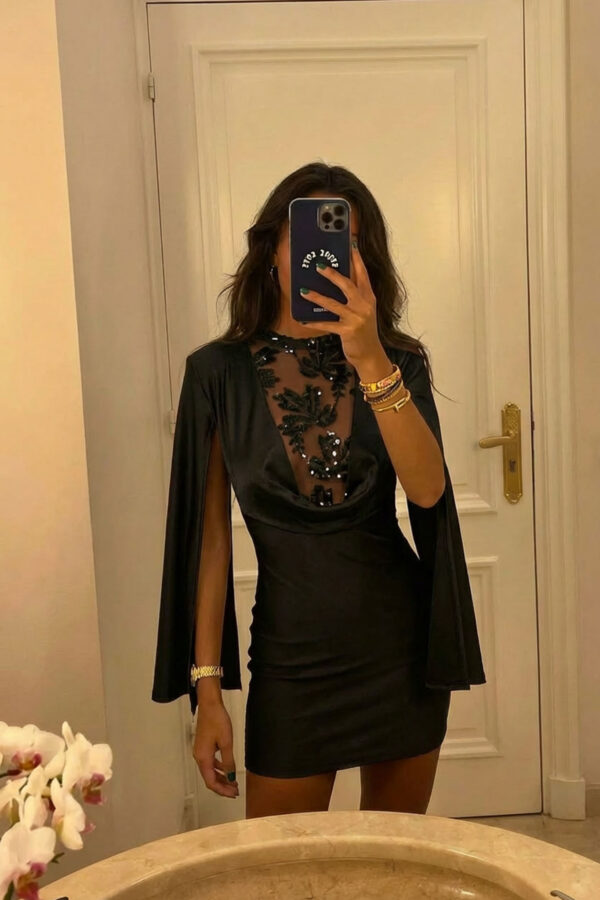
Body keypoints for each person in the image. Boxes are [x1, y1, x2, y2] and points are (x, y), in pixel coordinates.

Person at [151, 162, 486, 820]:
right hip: (290, 662)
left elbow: (427, 491)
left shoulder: (397, 361)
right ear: (273, 251)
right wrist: (207, 692)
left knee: (390, 863)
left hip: (399, 653)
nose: (328, 255)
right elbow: (210, 542)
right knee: (283, 867)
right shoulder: (216, 374)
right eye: (307, 238)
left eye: (349, 243)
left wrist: (370, 358)